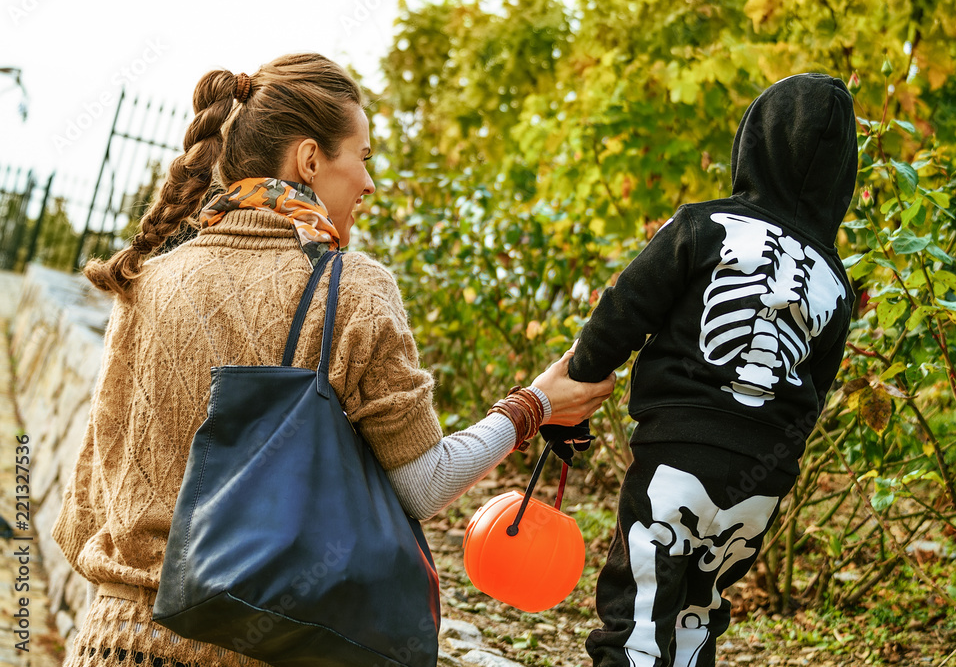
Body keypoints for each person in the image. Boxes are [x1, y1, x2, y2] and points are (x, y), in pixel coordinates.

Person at [52, 53, 614, 667]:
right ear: (311, 159)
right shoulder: (351, 289)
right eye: (363, 158)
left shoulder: (147, 281)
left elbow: (84, 513)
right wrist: (532, 406)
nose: (369, 184)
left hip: (112, 644)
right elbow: (421, 485)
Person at [567, 73, 857, 667]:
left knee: (639, 620)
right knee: (699, 613)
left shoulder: (702, 227)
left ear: (754, 142)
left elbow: (623, 310)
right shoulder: (836, 281)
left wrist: (580, 376)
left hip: (678, 454)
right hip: (763, 479)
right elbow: (817, 391)